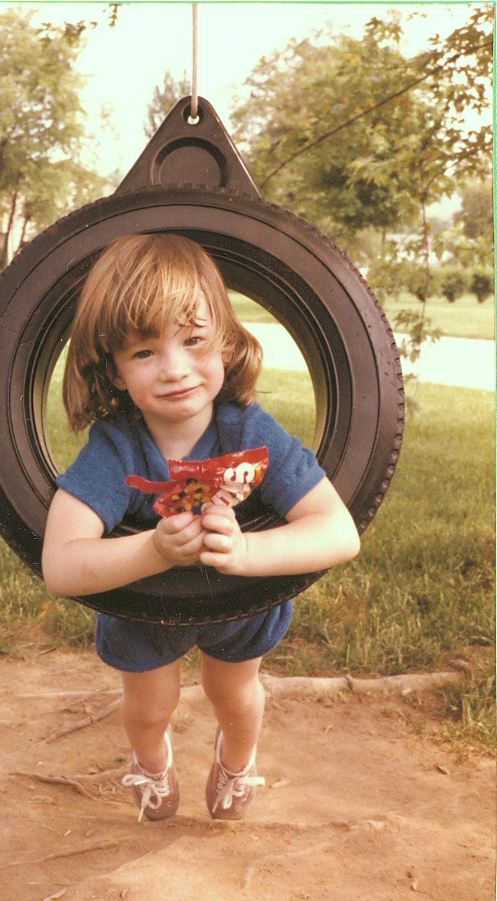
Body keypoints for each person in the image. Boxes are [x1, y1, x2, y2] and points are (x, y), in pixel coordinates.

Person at [42, 233, 360, 822]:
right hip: (142, 609)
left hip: (241, 600)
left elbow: (339, 532)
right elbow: (61, 564)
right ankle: (151, 763)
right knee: (147, 707)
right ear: (112, 371)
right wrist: (154, 550)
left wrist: (244, 552)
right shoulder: (115, 449)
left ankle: (236, 765)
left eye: (194, 341)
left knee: (235, 698)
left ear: (227, 343)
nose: (175, 369)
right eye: (144, 353)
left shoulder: (250, 433)